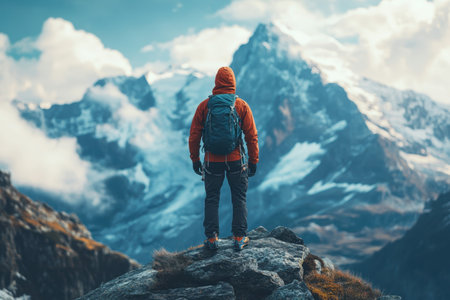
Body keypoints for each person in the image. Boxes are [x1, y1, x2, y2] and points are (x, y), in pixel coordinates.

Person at [189, 66, 259, 251]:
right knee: (238, 197)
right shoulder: (241, 105)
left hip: (212, 160)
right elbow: (251, 136)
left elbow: (194, 135)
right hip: (236, 160)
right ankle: (239, 237)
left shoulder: (204, 106)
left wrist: (195, 159)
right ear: (233, 83)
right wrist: (253, 161)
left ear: (216, 83)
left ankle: (212, 239)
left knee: (212, 198)